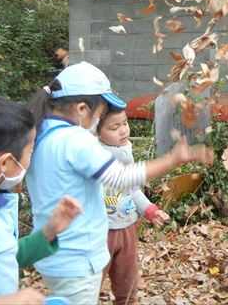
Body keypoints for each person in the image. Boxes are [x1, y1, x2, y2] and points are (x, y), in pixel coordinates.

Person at [26, 61, 212, 304]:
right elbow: (122, 177)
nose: (98, 120)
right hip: (77, 257)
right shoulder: (76, 140)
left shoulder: (40, 132)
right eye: (100, 114)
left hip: (52, 254)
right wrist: (173, 159)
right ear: (82, 108)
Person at [0, 96, 82, 305]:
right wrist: (2, 302)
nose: (31, 158)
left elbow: (3, 256)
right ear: (5, 163)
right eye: (30, 152)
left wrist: (50, 231)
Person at [97, 103, 170, 305]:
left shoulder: (125, 150)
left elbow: (132, 188)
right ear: (96, 131)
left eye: (125, 123)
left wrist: (149, 210)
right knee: (91, 287)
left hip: (127, 227)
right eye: (114, 127)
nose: (123, 130)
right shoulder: (94, 156)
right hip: (102, 231)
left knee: (128, 285)